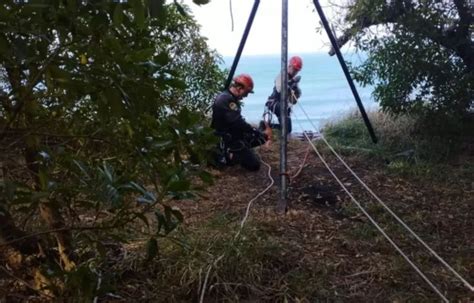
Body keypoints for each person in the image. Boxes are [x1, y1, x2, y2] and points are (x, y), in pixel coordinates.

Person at [211, 74, 269, 171]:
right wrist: (253, 131)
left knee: (262, 138)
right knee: (254, 165)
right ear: (239, 88)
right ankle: (229, 156)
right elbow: (237, 122)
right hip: (226, 139)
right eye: (246, 92)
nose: (246, 96)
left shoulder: (229, 97)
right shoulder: (227, 100)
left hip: (234, 135)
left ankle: (240, 151)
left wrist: (255, 132)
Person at [263, 56, 303, 134]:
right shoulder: (282, 75)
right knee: (286, 126)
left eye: (297, 70)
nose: (295, 72)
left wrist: (297, 91)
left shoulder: (293, 81)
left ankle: (266, 126)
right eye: (294, 69)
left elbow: (293, 101)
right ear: (289, 66)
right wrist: (291, 83)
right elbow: (280, 88)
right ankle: (266, 127)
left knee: (287, 129)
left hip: (284, 105)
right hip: (274, 102)